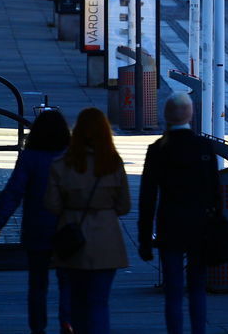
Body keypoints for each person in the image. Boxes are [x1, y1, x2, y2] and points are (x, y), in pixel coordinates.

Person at [138, 94, 220, 334]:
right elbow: (215, 192)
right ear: (190, 114)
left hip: (170, 224)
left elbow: (148, 197)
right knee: (197, 288)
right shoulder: (203, 147)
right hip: (200, 226)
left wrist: (144, 238)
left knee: (173, 291)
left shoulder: (158, 149)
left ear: (166, 116)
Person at [45, 107, 131, 334]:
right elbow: (124, 206)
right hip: (106, 239)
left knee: (77, 302)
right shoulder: (113, 163)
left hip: (74, 238)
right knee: (99, 303)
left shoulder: (62, 164)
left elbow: (52, 205)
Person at [0, 110, 73, 334]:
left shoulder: (30, 157)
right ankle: (68, 322)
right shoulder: (71, 156)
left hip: (37, 228)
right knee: (67, 280)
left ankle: (38, 327)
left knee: (37, 284)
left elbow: (14, 191)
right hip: (67, 228)